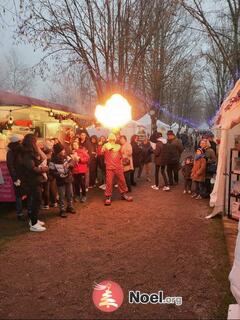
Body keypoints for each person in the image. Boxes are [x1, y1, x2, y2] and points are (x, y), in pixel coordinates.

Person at [22, 134, 48, 232]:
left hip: (35, 180)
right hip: (33, 180)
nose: (37, 143)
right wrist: (43, 169)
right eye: (35, 142)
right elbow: (32, 168)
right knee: (36, 201)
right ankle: (33, 224)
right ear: (32, 142)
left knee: (36, 200)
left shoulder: (29, 152)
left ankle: (34, 220)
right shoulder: (27, 154)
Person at [102, 133, 133, 206]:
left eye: (113, 136)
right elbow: (101, 152)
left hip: (118, 167)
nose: (112, 137)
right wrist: (102, 147)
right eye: (110, 136)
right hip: (110, 168)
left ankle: (124, 194)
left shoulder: (118, 146)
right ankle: (108, 197)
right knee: (109, 182)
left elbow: (122, 156)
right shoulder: (106, 145)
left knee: (122, 181)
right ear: (108, 138)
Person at [49, 142, 76, 217]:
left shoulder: (66, 156)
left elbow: (72, 161)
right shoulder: (53, 160)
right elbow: (51, 171)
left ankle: (70, 207)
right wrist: (58, 174)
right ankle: (62, 209)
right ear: (58, 151)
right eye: (62, 150)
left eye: (64, 150)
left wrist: (70, 165)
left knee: (70, 194)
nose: (64, 151)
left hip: (68, 178)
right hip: (60, 181)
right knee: (62, 195)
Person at [6, 134, 26, 221]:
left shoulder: (17, 151)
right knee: (19, 195)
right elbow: (10, 166)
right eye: (19, 142)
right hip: (18, 176)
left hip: (21, 175)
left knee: (20, 194)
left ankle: (22, 212)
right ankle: (20, 213)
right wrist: (15, 178)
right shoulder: (12, 152)